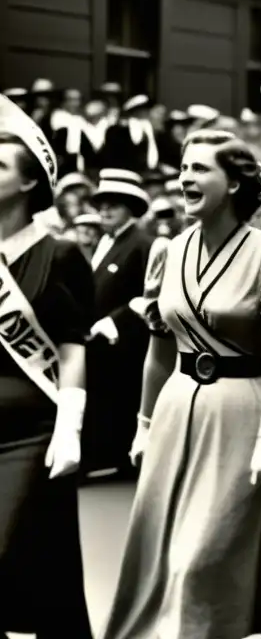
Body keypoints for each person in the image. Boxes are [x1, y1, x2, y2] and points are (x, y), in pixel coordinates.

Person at [102, 129, 261, 639]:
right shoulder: (167, 252)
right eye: (184, 167)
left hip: (239, 411)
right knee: (161, 549)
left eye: (200, 169)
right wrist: (144, 423)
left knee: (202, 556)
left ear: (234, 183)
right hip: (175, 406)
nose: (185, 177)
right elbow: (158, 349)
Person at [0, 94, 94, 638]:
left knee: (7, 546)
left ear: (30, 183)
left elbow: (72, 347)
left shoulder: (57, 254)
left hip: (32, 429)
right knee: (36, 559)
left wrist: (70, 426)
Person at [81, 169, 156, 478]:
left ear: (131, 207)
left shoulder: (143, 244)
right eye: (101, 204)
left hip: (127, 342)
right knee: (101, 401)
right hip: (100, 343)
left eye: (114, 204)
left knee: (123, 400)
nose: (105, 210)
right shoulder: (105, 243)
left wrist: (116, 320)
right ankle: (105, 457)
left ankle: (125, 460)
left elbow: (152, 294)